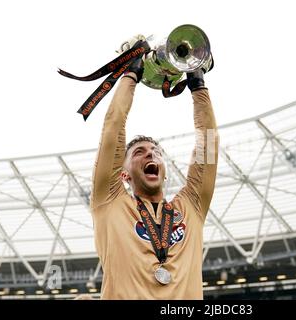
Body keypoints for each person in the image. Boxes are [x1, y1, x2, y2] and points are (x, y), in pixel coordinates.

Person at [90, 37, 219, 299]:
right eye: (139, 153)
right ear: (123, 174)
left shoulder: (190, 208)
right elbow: (113, 128)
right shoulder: (109, 201)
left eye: (156, 153)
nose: (151, 154)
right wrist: (131, 75)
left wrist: (198, 84)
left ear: (164, 170)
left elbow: (208, 145)